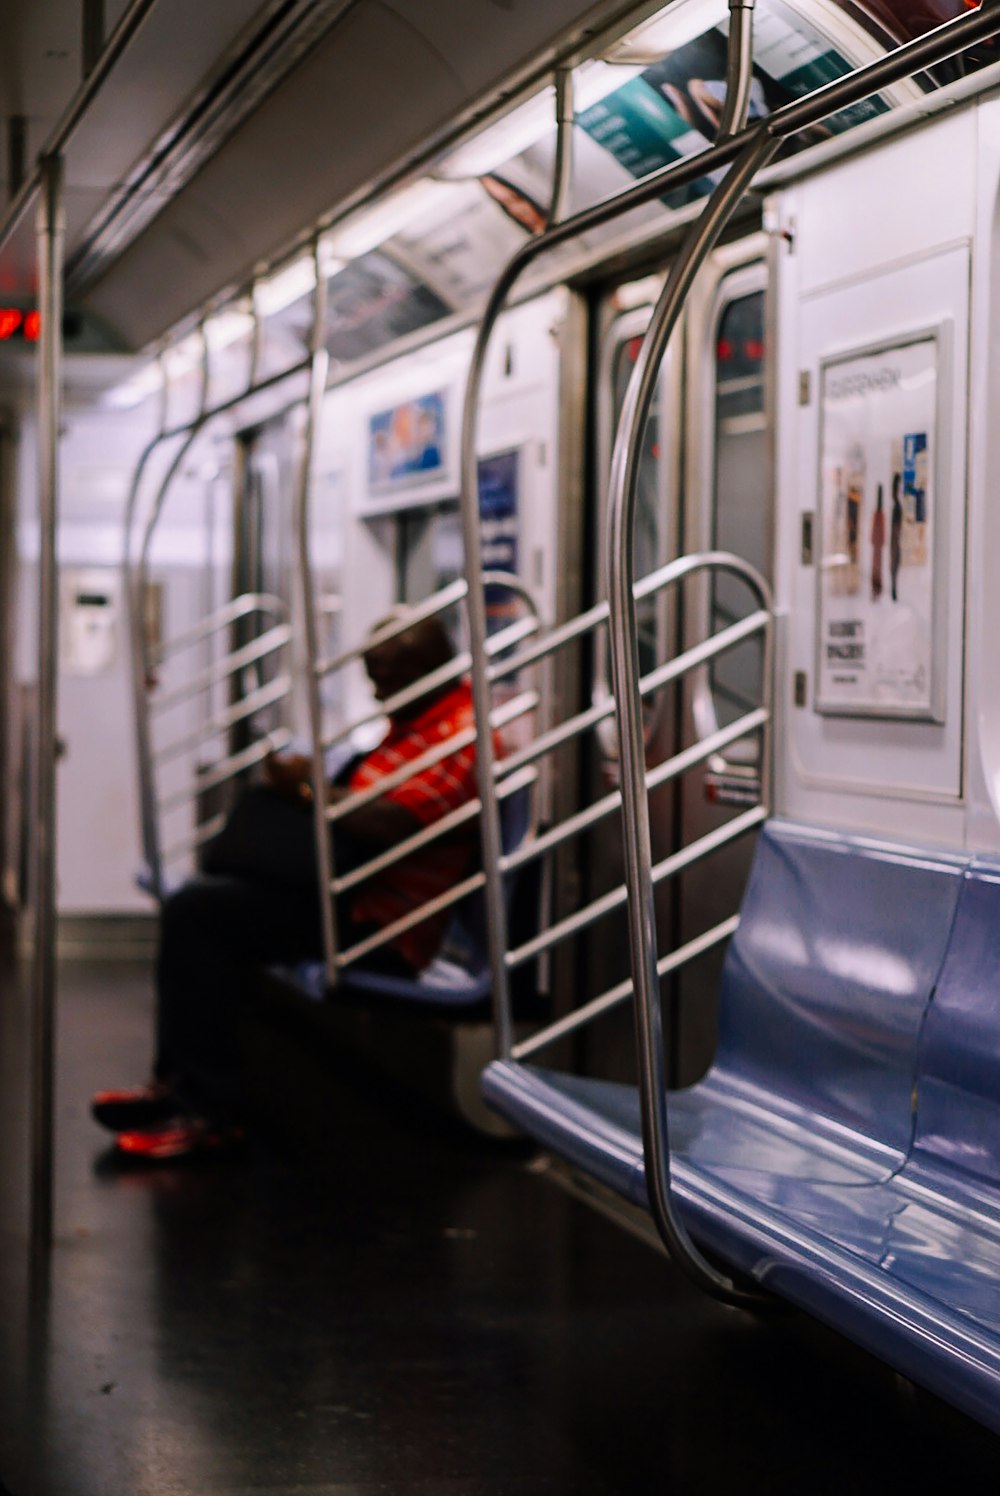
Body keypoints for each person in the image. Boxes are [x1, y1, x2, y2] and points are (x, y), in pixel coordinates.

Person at [91, 614, 489, 1160]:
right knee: (210, 904)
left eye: (385, 677)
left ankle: (205, 1108)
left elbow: (391, 823)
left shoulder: (459, 735)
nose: (376, 692)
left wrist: (308, 788)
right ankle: (182, 1086)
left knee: (200, 915)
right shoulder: (414, 724)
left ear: (425, 669)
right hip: (344, 900)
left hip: (379, 929)